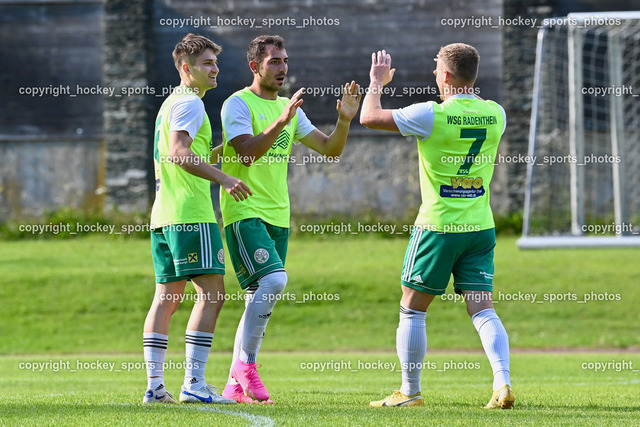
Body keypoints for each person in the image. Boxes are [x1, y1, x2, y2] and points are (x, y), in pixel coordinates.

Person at [360, 44, 514, 409]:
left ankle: (410, 391)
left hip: (439, 226)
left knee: (412, 306)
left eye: (435, 70)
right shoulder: (496, 113)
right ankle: (502, 384)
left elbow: (369, 117)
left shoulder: (431, 114)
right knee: (482, 306)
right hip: (480, 227)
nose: (433, 75)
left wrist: (376, 82)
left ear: (445, 75)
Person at [218, 35, 361, 403]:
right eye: (274, 62)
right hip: (244, 211)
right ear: (255, 67)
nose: (283, 68)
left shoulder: (289, 108)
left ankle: (235, 386)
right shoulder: (238, 104)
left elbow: (330, 149)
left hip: (278, 216)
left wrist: (344, 120)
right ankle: (246, 366)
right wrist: (282, 121)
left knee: (257, 298)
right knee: (275, 281)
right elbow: (247, 154)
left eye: (285, 61)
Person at [143, 33, 252, 405]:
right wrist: (224, 177)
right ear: (186, 68)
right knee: (213, 294)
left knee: (165, 300)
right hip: (191, 214)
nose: (215, 68)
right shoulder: (190, 103)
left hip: (163, 217)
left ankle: (156, 387)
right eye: (207, 63)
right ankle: (194, 383)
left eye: (215, 62)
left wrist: (226, 150)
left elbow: (190, 151)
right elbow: (179, 153)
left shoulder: (171, 104)